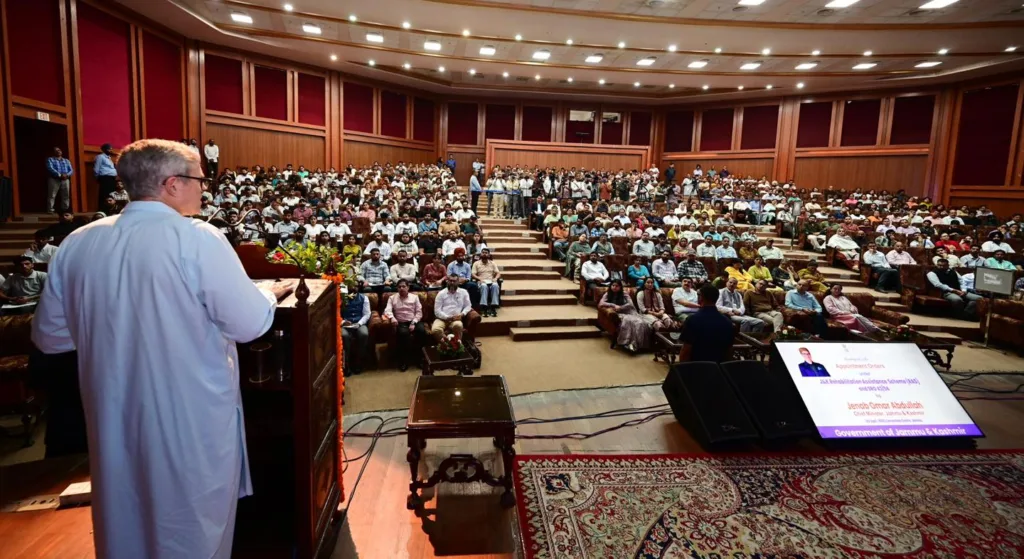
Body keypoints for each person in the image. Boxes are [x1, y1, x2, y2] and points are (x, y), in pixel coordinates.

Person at [31, 139, 292, 558]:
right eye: (200, 180)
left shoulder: (78, 242)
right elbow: (248, 324)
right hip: (187, 414)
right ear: (172, 184)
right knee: (191, 524)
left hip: (112, 411)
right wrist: (267, 294)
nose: (204, 189)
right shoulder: (196, 238)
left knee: (124, 517)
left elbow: (50, 336)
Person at [678, 284, 735, 363]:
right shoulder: (727, 322)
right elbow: (729, 351)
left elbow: (685, 350)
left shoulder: (692, 320)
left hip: (697, 366)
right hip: (718, 367)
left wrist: (682, 369)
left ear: (701, 298)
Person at [383, 279, 426, 371]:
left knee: (421, 331)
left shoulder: (415, 297)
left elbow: (419, 312)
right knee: (403, 334)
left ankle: (420, 359)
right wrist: (392, 318)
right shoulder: (392, 298)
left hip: (414, 320)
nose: (401, 288)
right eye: (399, 287)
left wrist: (414, 322)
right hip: (400, 322)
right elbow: (387, 310)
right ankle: (403, 361)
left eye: (403, 286)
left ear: (408, 287)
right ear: (397, 288)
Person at [598, 279, 650, 352]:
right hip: (619, 313)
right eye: (613, 285)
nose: (614, 287)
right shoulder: (608, 293)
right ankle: (628, 343)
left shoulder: (624, 293)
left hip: (628, 311)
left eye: (617, 286)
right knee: (628, 321)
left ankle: (638, 344)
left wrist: (621, 307)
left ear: (620, 287)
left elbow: (630, 304)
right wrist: (613, 305)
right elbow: (601, 303)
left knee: (640, 322)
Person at [432, 274, 472, 341]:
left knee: (458, 326)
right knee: (435, 330)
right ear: (447, 281)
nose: (452, 283)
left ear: (458, 282)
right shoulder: (441, 293)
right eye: (450, 281)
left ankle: (456, 345)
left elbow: (468, 306)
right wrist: (447, 317)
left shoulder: (464, 292)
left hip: (456, 319)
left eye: (454, 281)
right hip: (442, 319)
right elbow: (437, 310)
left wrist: (462, 314)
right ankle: (449, 344)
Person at [341, 289, 371, 375]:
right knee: (344, 335)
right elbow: (337, 314)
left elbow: (367, 314)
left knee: (364, 334)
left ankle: (358, 363)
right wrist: (343, 322)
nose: (353, 287)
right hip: (345, 325)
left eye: (355, 285)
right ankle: (345, 366)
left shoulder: (364, 298)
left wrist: (359, 323)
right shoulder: (341, 297)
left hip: (359, 323)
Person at [472, 248, 501, 317]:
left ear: (489, 255)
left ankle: (493, 307)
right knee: (484, 286)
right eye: (483, 252)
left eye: (486, 253)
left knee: (495, 285)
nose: (484, 254)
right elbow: (473, 274)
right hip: (481, 281)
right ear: (481, 254)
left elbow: (498, 273)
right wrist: (479, 278)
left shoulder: (492, 263)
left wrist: (495, 278)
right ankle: (484, 307)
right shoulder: (476, 263)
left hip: (491, 281)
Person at [46, 147, 73, 213]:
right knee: (52, 195)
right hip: (54, 179)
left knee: (66, 195)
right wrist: (60, 175)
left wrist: (67, 175)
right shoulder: (50, 159)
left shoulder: (66, 160)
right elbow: (50, 168)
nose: (58, 151)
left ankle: (65, 210)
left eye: (59, 150)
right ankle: (50, 210)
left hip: (65, 179)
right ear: (53, 152)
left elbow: (71, 170)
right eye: (56, 150)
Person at [94, 143, 118, 209]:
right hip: (105, 178)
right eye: (109, 149)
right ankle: (103, 209)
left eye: (111, 149)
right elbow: (96, 168)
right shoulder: (100, 157)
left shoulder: (109, 158)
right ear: (104, 149)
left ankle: (110, 209)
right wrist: (98, 177)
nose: (111, 150)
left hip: (112, 178)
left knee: (111, 194)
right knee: (104, 194)